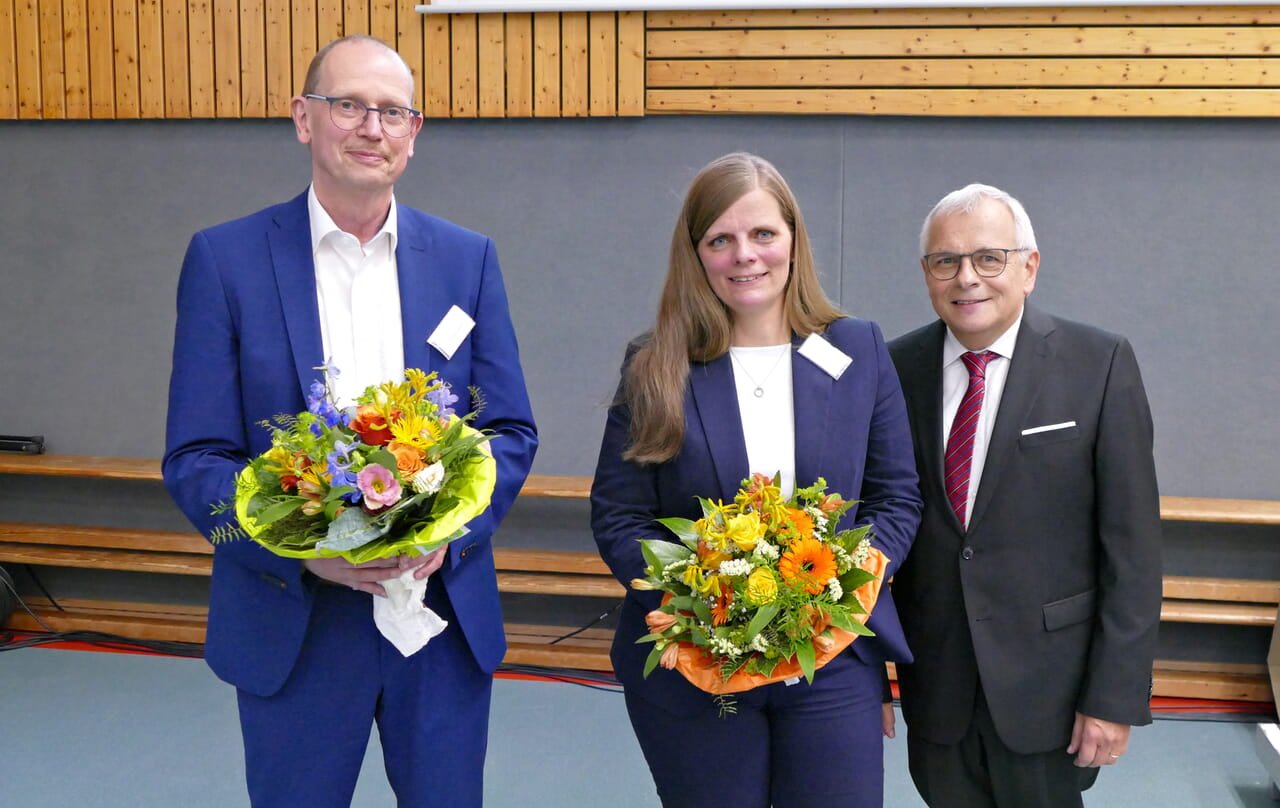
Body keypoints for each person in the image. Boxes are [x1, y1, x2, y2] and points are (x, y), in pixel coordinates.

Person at [162, 35, 537, 808]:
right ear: (305, 119)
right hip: (294, 622)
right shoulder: (226, 261)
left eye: (392, 112)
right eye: (349, 106)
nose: (372, 127)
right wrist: (300, 550)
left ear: (414, 132)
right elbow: (196, 457)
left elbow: (509, 432)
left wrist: (447, 531)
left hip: (437, 618)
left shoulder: (467, 259)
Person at [590, 152, 922, 808]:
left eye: (763, 234)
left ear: (793, 241)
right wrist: (703, 596)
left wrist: (831, 588)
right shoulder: (656, 363)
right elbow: (618, 516)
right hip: (697, 660)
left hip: (829, 659)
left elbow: (896, 497)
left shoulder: (858, 348)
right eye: (722, 239)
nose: (746, 255)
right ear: (697, 254)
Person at [888, 183, 1162, 808]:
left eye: (989, 257)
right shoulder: (894, 369)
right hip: (937, 690)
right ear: (927, 273)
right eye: (945, 261)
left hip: (1052, 695)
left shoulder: (1100, 362)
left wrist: (1113, 696)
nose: (967, 278)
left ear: (1029, 267)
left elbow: (1134, 551)